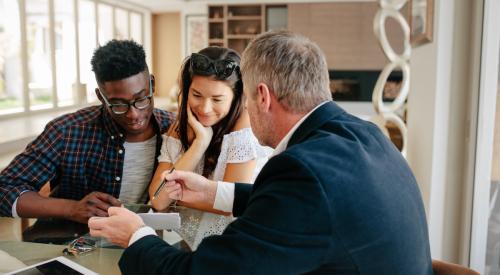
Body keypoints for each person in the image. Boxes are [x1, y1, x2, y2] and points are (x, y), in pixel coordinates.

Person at [89, 30, 433, 274]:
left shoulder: (303, 171)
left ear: (263, 97)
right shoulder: (364, 133)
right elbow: (307, 205)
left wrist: (135, 235)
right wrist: (215, 192)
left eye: (247, 100)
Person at [0, 39, 175, 224]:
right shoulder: (67, 131)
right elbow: (4, 189)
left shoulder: (173, 130)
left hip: (144, 242)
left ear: (152, 84)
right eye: (118, 105)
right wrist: (71, 208)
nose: (134, 114)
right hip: (70, 242)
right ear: (101, 97)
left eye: (141, 99)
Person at [149, 46, 271, 249]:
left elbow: (228, 203)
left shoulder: (245, 128)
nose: (205, 108)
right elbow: (158, 200)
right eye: (196, 95)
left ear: (235, 97)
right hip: (189, 243)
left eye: (217, 99)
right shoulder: (179, 128)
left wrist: (175, 198)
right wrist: (199, 144)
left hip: (236, 245)